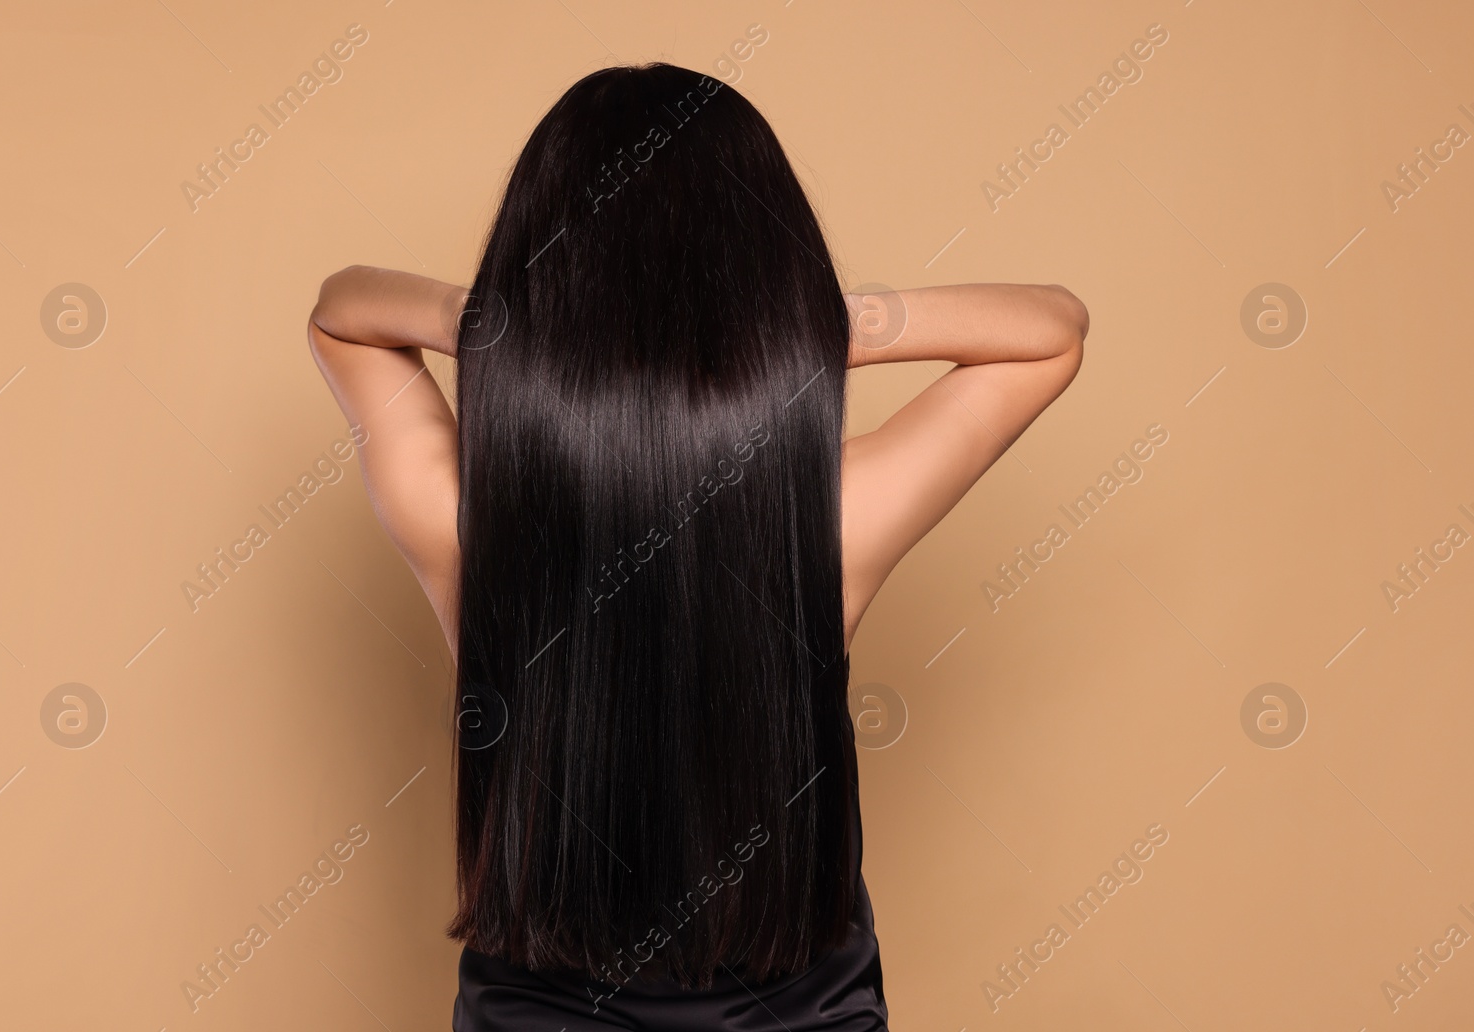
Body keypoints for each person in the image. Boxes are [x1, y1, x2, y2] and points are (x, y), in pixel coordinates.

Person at [308, 62, 1085, 1031]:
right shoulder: (830, 518)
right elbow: (1052, 329)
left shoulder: (467, 523)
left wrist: (515, 326)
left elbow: (342, 310)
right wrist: (805, 331)